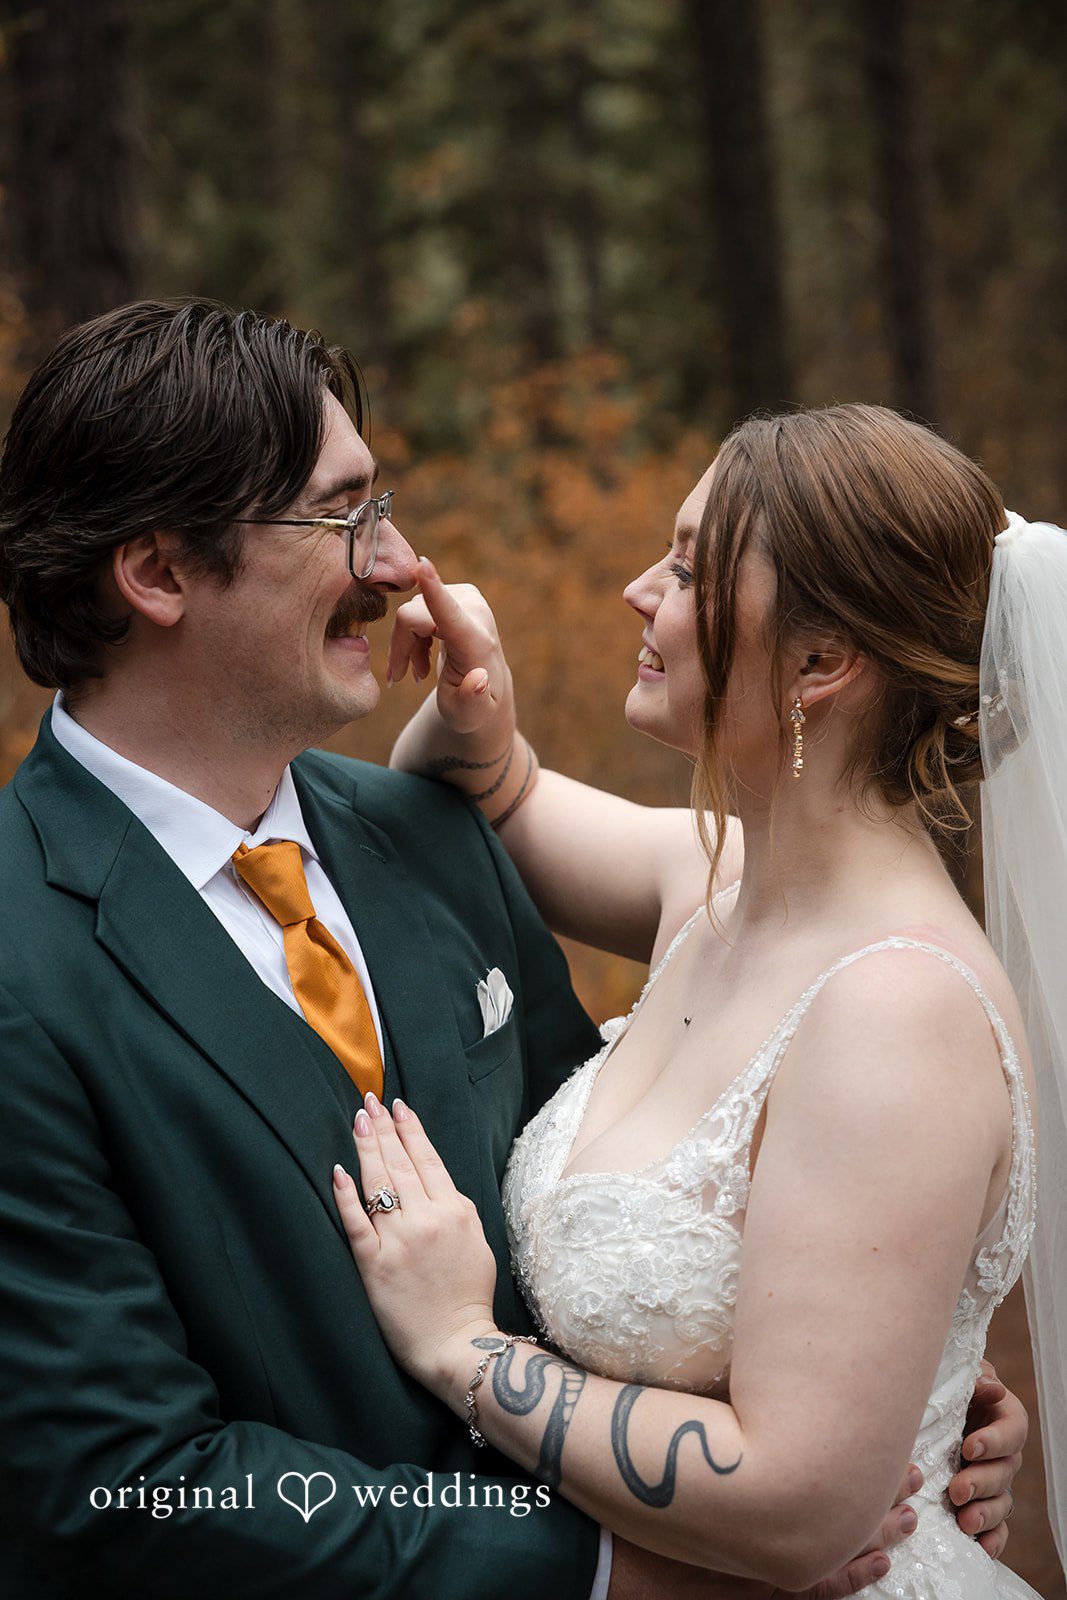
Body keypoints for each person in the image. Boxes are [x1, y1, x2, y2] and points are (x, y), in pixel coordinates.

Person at [0, 302, 1022, 1600]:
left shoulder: (423, 840)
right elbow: (120, 1488)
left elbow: (589, 1221)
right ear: (155, 574)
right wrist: (619, 1569)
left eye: (384, 506)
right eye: (342, 516)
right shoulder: (21, 960)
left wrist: (876, 1361)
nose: (401, 564)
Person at [333, 403, 1050, 1597]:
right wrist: (472, 700)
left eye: (684, 565)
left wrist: (461, 1347)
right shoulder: (705, 880)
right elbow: (473, 802)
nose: (635, 589)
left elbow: (796, 1507)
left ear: (820, 665)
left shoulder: (894, 1012)